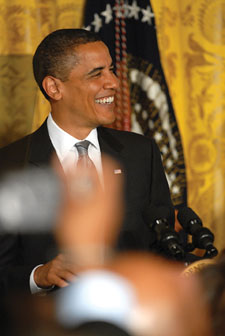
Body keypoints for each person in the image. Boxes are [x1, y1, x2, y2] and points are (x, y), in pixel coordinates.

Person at [0, 29, 173, 294]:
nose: (114, 82)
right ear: (54, 88)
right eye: (97, 74)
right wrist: (39, 275)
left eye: (111, 70)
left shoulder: (142, 153)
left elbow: (162, 248)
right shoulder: (10, 166)